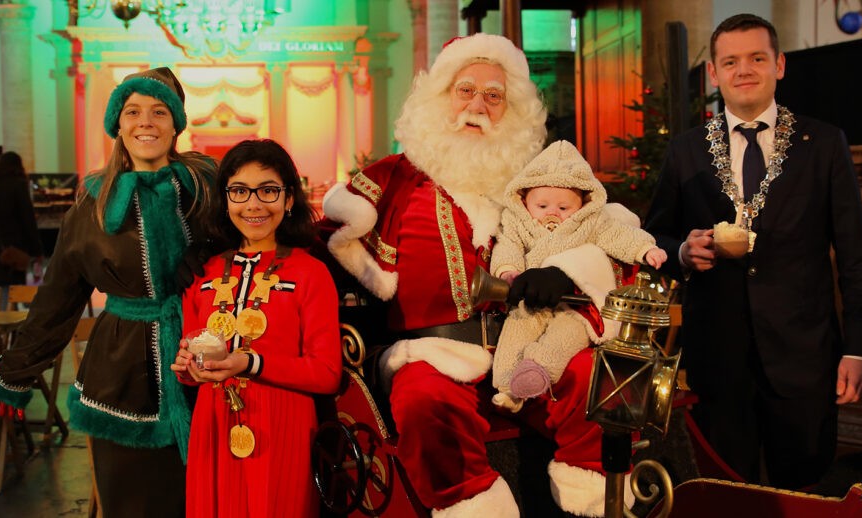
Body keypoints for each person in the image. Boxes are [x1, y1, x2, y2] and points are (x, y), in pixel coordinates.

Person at [321, 33, 629, 516]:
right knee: (423, 400)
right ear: (439, 98)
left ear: (515, 110)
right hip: (436, 352)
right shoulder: (396, 177)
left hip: (532, 345)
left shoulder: (539, 179)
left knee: (596, 379)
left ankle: (591, 500)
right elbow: (318, 235)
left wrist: (565, 271)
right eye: (465, 90)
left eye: (494, 95)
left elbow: (614, 236)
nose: (478, 106)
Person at [643, 13, 862, 489]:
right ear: (714, 72)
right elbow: (652, 239)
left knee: (809, 493)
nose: (743, 69)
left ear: (780, 65)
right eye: (730, 61)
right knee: (727, 494)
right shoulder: (686, 151)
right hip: (717, 359)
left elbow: (856, 255)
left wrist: (860, 348)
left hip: (805, 358)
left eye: (756, 58)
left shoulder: (824, 143)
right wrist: (683, 253)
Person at [0, 67, 217, 516]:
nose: (145, 121)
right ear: (118, 123)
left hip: (205, 368)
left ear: (176, 122)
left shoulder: (205, 187)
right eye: (132, 111)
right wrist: (12, 373)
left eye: (158, 110)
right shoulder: (93, 201)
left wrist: (211, 256)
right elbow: (58, 297)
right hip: (119, 377)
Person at [171, 139, 342, 517]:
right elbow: (193, 360)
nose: (253, 204)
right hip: (212, 425)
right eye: (239, 191)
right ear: (225, 199)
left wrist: (250, 363)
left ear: (289, 199)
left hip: (284, 428)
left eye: (268, 190)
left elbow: (328, 374)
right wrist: (188, 368)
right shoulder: (205, 272)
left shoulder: (311, 273)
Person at [490, 140, 666, 412]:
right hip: (531, 299)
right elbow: (507, 246)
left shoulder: (590, 222)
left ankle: (537, 370)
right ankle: (507, 387)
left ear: (583, 204)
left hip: (574, 305)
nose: (552, 213)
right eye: (542, 205)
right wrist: (507, 270)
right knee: (516, 331)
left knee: (565, 337)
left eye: (563, 208)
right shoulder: (517, 222)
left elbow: (619, 236)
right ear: (524, 200)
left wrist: (645, 249)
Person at [0, 151, 44, 309]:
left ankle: (0, 325)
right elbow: (27, 220)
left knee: (0, 288)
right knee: (14, 286)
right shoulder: (17, 184)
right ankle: (11, 324)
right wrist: (37, 249)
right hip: (14, 246)